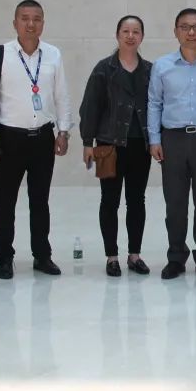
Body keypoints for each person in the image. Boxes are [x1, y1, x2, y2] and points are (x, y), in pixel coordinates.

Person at [0, 0, 73, 279]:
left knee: (40, 201)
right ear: (15, 22)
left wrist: (63, 131)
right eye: (25, 18)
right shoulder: (0, 54)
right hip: (9, 138)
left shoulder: (53, 54)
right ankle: (4, 258)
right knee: (5, 202)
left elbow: (61, 95)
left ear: (43, 23)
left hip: (42, 137)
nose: (31, 24)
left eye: (37, 19)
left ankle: (42, 256)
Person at [148, 8, 196, 280]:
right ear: (175, 31)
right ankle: (176, 257)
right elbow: (154, 103)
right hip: (173, 140)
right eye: (185, 27)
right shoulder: (162, 65)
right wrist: (154, 139)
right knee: (175, 204)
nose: (191, 32)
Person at [79, 15, 153, 278]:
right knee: (109, 200)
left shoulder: (150, 70)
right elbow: (90, 108)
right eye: (125, 31)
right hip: (108, 145)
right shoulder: (104, 69)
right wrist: (87, 142)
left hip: (140, 146)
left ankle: (134, 255)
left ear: (142, 36)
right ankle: (112, 256)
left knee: (137, 200)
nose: (130, 36)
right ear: (117, 35)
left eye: (136, 31)